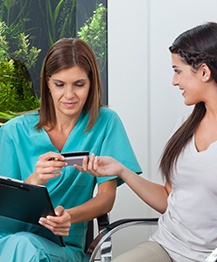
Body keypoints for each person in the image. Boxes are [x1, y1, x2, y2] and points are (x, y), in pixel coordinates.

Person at [76, 22, 217, 262]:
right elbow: (169, 199)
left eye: (178, 71)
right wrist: (121, 171)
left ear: (205, 72)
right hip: (165, 247)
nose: (174, 82)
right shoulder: (184, 126)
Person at [0, 38, 141, 262]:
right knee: (21, 243)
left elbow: (106, 198)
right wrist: (36, 179)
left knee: (26, 247)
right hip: (10, 240)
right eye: (59, 84)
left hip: (64, 247)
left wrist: (69, 218)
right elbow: (5, 206)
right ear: (47, 83)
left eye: (79, 84)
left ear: (91, 83)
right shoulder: (13, 131)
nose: (69, 95)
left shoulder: (106, 123)